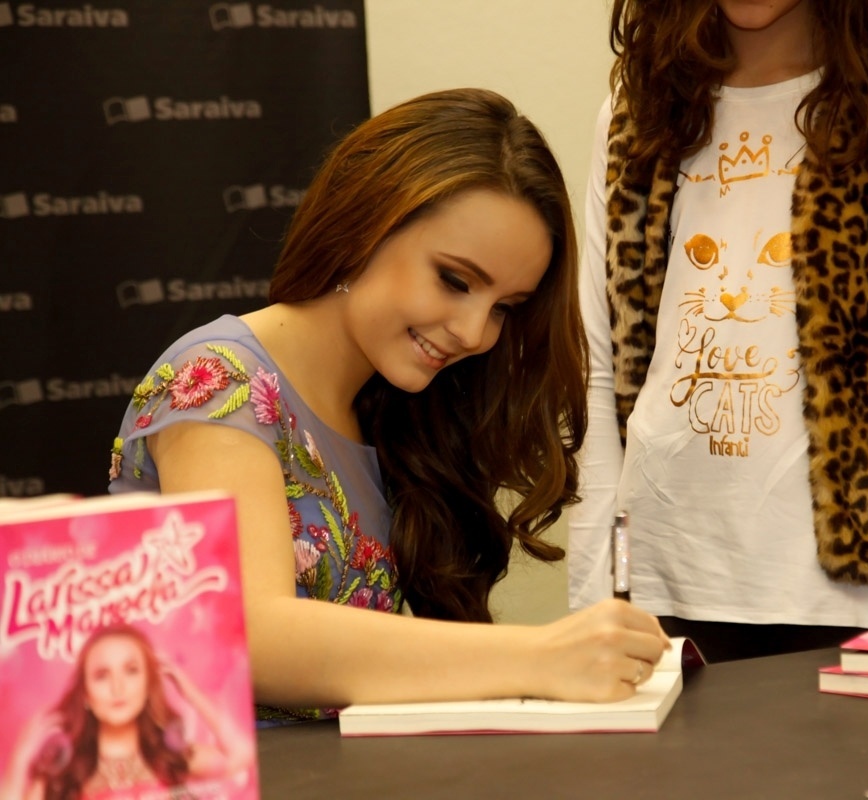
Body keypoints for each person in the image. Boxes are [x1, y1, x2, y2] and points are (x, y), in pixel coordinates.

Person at [108, 88, 670, 720]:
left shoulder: (394, 409)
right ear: (366, 223)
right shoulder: (218, 382)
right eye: (455, 281)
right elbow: (253, 637)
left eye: (504, 308)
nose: (475, 333)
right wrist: (541, 657)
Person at [567, 1, 868, 663]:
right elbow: (596, 371)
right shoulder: (640, 106)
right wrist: (592, 602)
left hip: (850, 595)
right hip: (657, 584)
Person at [1, 624, 255, 799]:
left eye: (131, 671)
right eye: (102, 675)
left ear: (147, 684)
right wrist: (20, 758)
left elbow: (242, 754)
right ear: (85, 693)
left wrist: (189, 692)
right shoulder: (66, 771)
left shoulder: (168, 756)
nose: (118, 687)